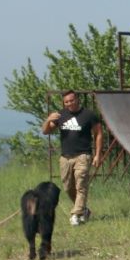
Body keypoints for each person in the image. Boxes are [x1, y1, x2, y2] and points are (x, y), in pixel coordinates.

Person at [40, 89, 103, 225]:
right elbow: (46, 131)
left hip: (83, 155)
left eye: (72, 100)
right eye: (66, 102)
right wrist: (48, 120)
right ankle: (83, 210)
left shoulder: (88, 115)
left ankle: (75, 214)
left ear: (77, 99)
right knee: (68, 187)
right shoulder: (60, 115)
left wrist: (98, 155)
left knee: (81, 185)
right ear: (64, 103)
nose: (69, 103)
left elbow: (98, 133)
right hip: (65, 157)